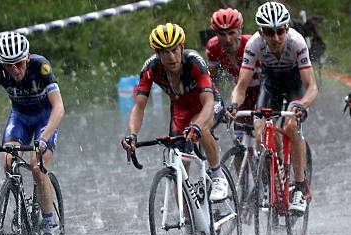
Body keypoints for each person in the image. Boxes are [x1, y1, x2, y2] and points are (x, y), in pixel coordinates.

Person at [0, 32, 65, 235]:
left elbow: (59, 107)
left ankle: (48, 224)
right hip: (20, 118)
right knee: (7, 161)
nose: (15, 70)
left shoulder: (40, 66)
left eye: (19, 63)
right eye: (9, 65)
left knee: (36, 166)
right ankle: (21, 205)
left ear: (27, 57)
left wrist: (44, 138)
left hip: (45, 118)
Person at [121, 23, 229, 203]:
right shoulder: (151, 68)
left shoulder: (194, 61)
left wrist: (197, 125)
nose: (171, 57)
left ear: (182, 48)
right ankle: (189, 225)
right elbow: (139, 106)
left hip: (207, 104)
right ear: (158, 54)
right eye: (165, 52)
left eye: (174, 50)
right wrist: (132, 135)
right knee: (180, 175)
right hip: (180, 109)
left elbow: (208, 102)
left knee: (201, 129)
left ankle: (218, 176)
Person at [227, 1, 318, 214]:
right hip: (271, 85)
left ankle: (299, 186)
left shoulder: (297, 42)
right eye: (269, 32)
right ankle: (274, 172)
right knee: (260, 131)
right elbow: (241, 86)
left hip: (295, 85)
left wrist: (301, 104)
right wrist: (233, 105)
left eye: (280, 31)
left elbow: (312, 87)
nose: (276, 37)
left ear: (286, 28)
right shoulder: (254, 45)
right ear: (261, 32)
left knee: (290, 126)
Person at [206, 8, 260, 141]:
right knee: (239, 142)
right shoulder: (213, 47)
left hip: (263, 90)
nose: (228, 39)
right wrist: (216, 105)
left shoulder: (251, 44)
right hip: (241, 95)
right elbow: (212, 81)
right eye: (222, 34)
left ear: (239, 31)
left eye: (231, 33)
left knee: (262, 135)